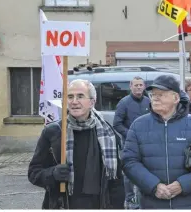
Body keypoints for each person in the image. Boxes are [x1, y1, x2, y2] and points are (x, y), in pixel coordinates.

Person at [122, 75, 191, 209]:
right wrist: (154, 186)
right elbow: (129, 161)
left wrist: (182, 185)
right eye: (153, 94)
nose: (155, 97)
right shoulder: (138, 126)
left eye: (161, 94)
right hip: (153, 204)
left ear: (176, 98)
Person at [28, 79, 124, 209]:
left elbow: (116, 181)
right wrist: (53, 174)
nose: (74, 101)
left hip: (100, 205)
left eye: (80, 96)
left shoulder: (108, 134)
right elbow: (34, 172)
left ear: (92, 102)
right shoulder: (54, 132)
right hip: (63, 205)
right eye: (70, 96)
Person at [113, 76, 150, 209]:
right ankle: (130, 200)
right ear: (130, 86)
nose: (138, 87)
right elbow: (117, 123)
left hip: (146, 144)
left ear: (144, 86)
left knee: (145, 170)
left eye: (140, 85)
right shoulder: (124, 103)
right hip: (129, 144)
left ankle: (143, 197)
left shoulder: (148, 101)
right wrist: (130, 135)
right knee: (129, 172)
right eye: (136, 85)